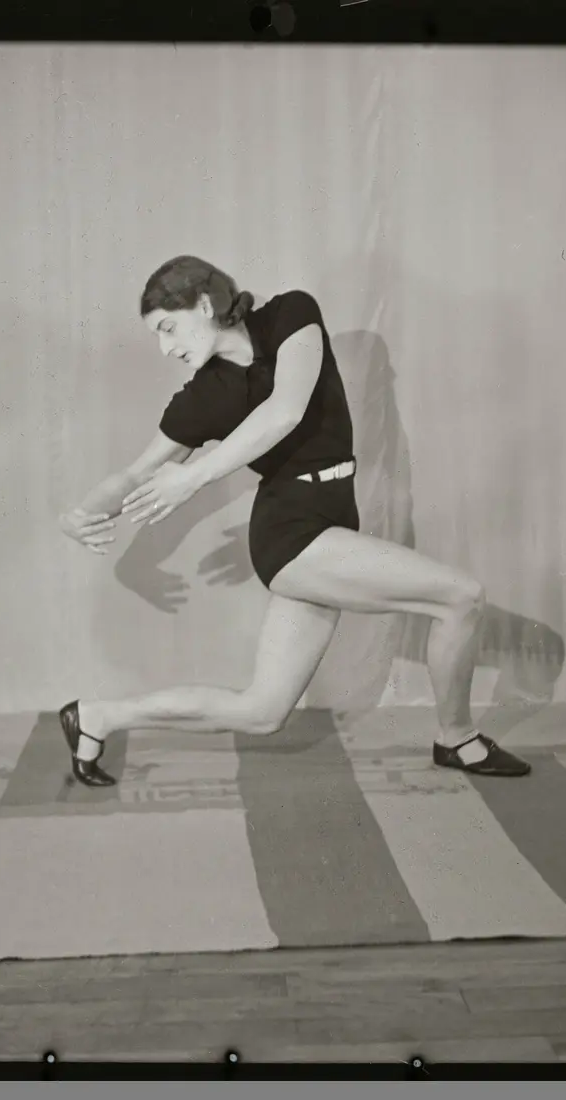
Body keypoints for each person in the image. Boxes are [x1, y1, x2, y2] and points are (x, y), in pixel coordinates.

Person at [57, 255, 530, 786]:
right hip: (292, 533)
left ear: (204, 304)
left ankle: (97, 717)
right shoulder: (202, 398)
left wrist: (193, 478)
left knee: (261, 712)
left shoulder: (289, 316)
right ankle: (457, 739)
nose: (166, 348)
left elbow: (286, 410)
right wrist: (80, 515)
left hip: (331, 514)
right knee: (460, 599)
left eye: (168, 328)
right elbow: (135, 473)